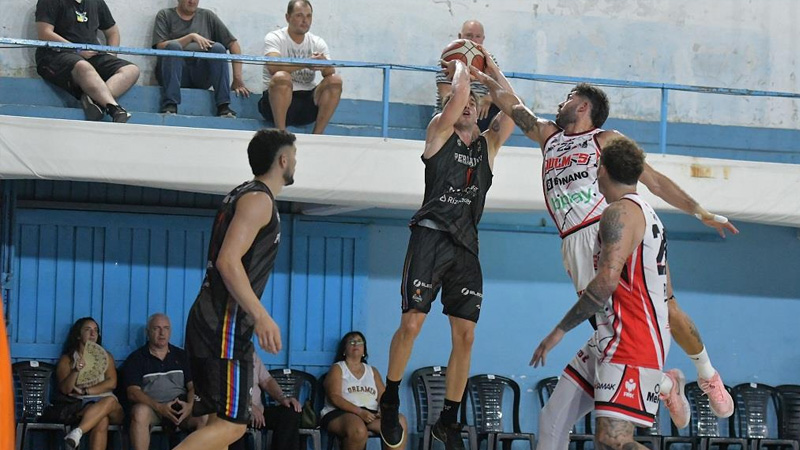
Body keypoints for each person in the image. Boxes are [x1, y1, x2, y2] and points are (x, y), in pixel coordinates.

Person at [472, 72, 737, 447]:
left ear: (583, 106)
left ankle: (707, 375)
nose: (560, 103)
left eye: (567, 97)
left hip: (610, 230)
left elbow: (654, 180)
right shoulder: (549, 136)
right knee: (609, 325)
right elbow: (511, 103)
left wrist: (700, 211)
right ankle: (664, 384)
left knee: (664, 307)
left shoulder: (606, 140)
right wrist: (483, 71)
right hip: (572, 242)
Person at [378, 54, 516, 450]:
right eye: (462, 100)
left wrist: (491, 70)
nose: (468, 104)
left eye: (474, 101)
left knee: (466, 336)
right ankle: (390, 398)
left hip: (466, 245)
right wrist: (461, 66)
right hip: (431, 237)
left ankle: (448, 419)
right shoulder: (439, 130)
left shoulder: (487, 145)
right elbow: (455, 99)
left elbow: (512, 109)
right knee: (412, 325)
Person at [531, 136, 673, 450]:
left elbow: (606, 281)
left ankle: (666, 381)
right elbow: (666, 292)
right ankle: (667, 382)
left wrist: (559, 330)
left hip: (631, 338)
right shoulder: (647, 214)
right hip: (610, 333)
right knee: (553, 418)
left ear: (602, 169)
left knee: (613, 440)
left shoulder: (619, 213)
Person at [174, 128, 297, 450]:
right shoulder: (258, 200)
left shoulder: (243, 194)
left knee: (217, 423)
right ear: (283, 160)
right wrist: (261, 316)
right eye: (294, 156)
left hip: (212, 321)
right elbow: (228, 261)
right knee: (232, 427)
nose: (296, 162)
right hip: (223, 325)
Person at [34, 0, 139, 123]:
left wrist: (111, 54)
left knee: (132, 70)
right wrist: (77, 49)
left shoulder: (96, 2)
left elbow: (112, 31)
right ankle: (114, 108)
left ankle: (93, 100)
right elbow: (44, 33)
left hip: (91, 55)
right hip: (56, 55)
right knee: (83, 66)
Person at [121, 313, 206, 450]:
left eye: (166, 328)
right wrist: (159, 407)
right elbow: (133, 392)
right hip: (153, 409)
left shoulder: (182, 356)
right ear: (148, 332)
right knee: (139, 412)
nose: (162, 333)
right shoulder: (136, 359)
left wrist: (190, 406)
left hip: (181, 408)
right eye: (157, 328)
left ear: (170, 331)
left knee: (204, 416)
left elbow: (193, 387)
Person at [259, 0, 343, 134]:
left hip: (307, 102)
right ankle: (280, 135)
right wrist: (305, 63)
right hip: (274, 103)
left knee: (335, 80)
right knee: (281, 77)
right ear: (288, 17)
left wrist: (323, 63)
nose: (305, 20)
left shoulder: (317, 42)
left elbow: (330, 72)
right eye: (299, 15)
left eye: (308, 16)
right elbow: (273, 67)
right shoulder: (275, 37)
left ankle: (317, 136)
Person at [153, 0, 249, 117]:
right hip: (176, 75)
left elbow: (233, 45)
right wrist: (190, 37)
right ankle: (170, 104)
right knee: (173, 46)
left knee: (218, 48)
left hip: (200, 75)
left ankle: (223, 105)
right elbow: (160, 46)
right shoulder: (165, 15)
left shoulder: (207, 16)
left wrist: (237, 78)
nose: (192, 1)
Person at [322, 331, 408, 450]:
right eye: (351, 342)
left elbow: (383, 396)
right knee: (358, 429)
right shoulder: (338, 368)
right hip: (341, 413)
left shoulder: (372, 371)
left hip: (370, 414)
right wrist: (359, 412)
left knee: (399, 421)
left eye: (359, 342)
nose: (356, 344)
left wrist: (383, 411)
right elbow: (334, 396)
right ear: (344, 350)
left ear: (364, 351)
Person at [57, 317, 124, 449]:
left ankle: (77, 432)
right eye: (88, 330)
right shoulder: (67, 359)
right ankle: (75, 435)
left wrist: (86, 391)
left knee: (110, 401)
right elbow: (65, 389)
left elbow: (112, 383)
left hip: (109, 404)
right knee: (102, 419)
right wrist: (75, 371)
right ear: (78, 335)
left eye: (96, 330)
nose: (93, 334)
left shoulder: (106, 356)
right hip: (82, 404)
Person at [435, 20, 500, 132]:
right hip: (453, 114)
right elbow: (446, 96)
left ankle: (490, 141)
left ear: (483, 39)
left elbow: (501, 90)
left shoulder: (489, 61)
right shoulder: (448, 58)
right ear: (460, 36)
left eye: (477, 36)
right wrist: (470, 123)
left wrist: (489, 98)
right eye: (469, 35)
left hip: (479, 112)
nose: (473, 40)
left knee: (511, 106)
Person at [229, 351, 302, 450]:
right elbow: (220, 392)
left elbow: (267, 381)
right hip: (233, 411)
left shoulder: (249, 352)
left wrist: (282, 398)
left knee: (290, 412)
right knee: (234, 421)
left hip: (259, 412)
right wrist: (248, 407)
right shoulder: (220, 355)